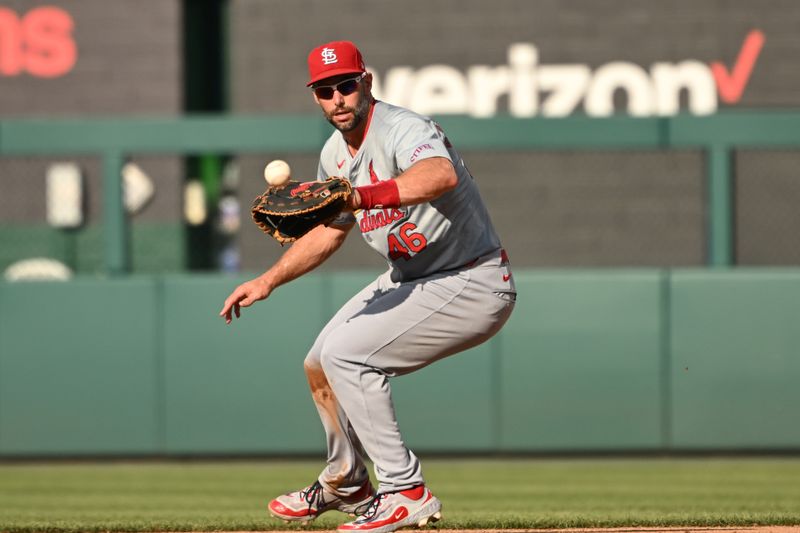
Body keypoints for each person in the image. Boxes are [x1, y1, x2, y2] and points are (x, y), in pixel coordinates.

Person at [219, 40, 516, 533]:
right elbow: (331, 230)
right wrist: (267, 280)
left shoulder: (403, 127)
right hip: (414, 277)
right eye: (324, 90)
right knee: (320, 361)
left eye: (345, 85)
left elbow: (439, 175)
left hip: (472, 278)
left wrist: (361, 194)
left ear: (366, 83)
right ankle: (348, 480)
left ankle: (405, 491)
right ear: (315, 97)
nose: (337, 98)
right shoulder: (334, 153)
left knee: (349, 356)